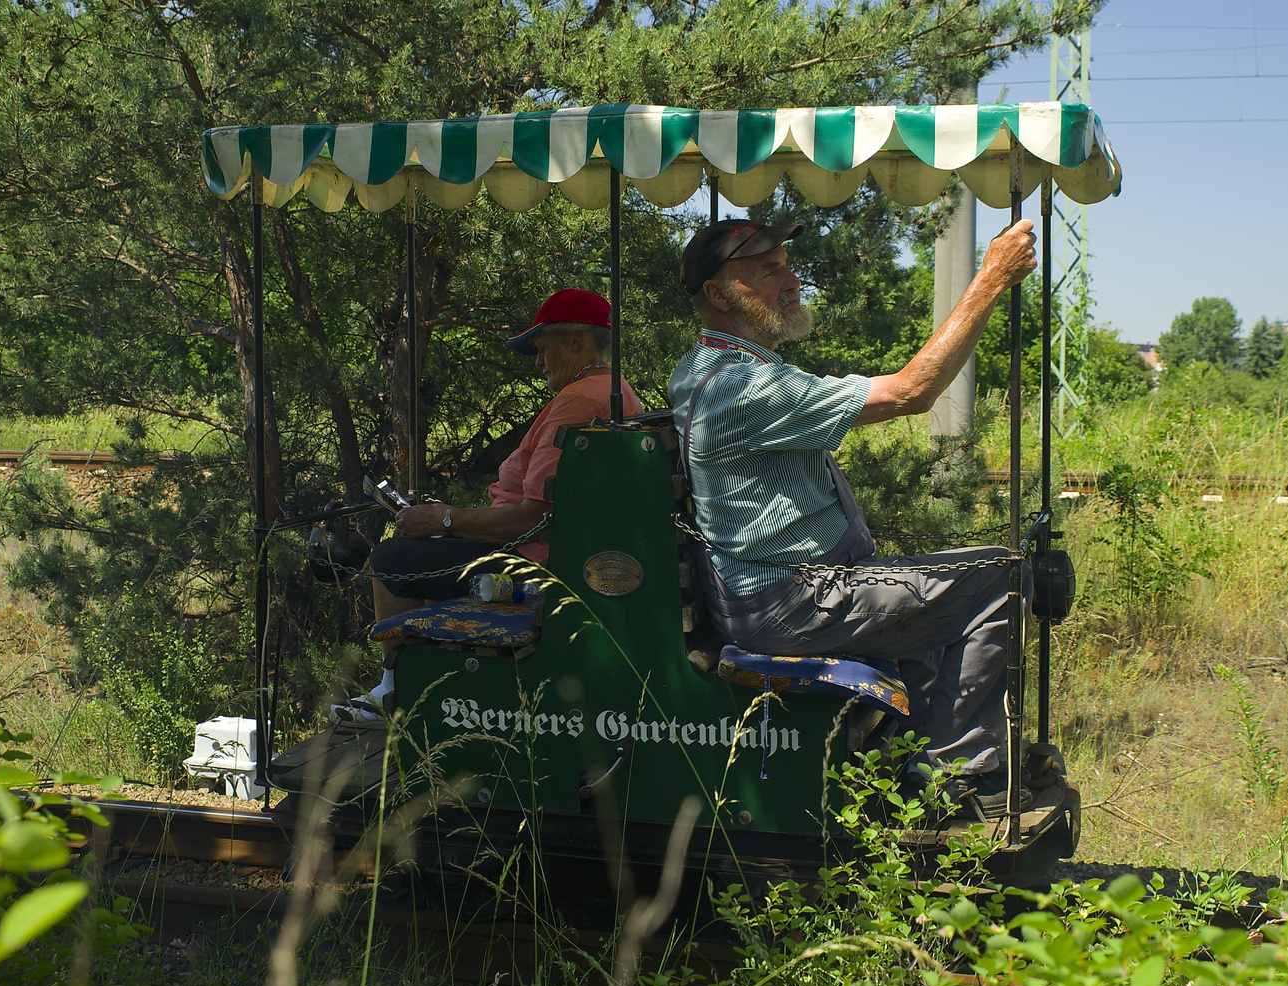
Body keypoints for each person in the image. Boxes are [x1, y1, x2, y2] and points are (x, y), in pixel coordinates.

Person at [668, 218, 1038, 816]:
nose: (791, 281)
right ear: (720, 293)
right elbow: (910, 393)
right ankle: (956, 780)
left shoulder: (707, 368)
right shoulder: (741, 385)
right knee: (999, 579)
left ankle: (910, 763)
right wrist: (991, 279)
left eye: (787, 265)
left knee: (942, 589)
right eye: (768, 271)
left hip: (786, 592)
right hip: (790, 603)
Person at [349, 288, 644, 716]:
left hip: (540, 565)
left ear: (577, 341)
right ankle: (434, 686)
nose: (538, 363)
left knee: (393, 559)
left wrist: (447, 520)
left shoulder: (578, 401)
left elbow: (535, 519)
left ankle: (393, 695)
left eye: (543, 349)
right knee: (428, 550)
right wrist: (447, 523)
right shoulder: (614, 389)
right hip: (568, 555)